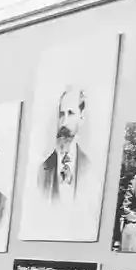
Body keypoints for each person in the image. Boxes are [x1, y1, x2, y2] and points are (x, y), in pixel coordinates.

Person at [31, 84, 92, 231]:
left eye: (70, 114)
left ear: (81, 117)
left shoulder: (90, 169)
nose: (63, 123)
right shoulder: (43, 171)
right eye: (61, 114)